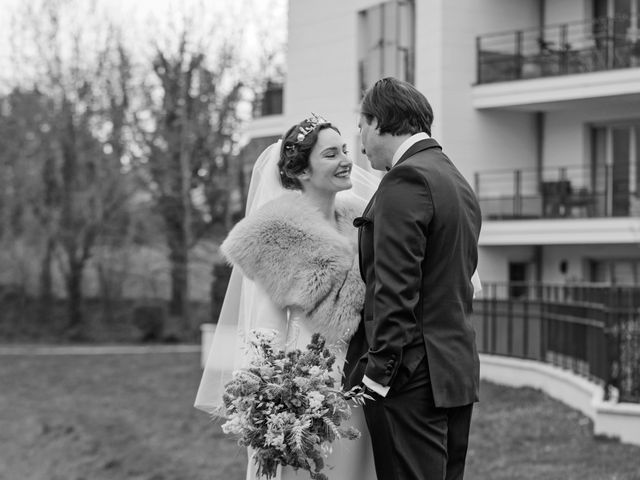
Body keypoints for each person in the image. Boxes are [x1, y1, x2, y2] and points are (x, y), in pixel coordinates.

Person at [195, 114, 378, 480]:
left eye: (345, 149)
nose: (346, 160)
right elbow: (265, 334)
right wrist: (281, 411)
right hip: (306, 399)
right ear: (303, 171)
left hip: (359, 390)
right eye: (331, 154)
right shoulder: (275, 237)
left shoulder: (363, 223)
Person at [344, 77, 482, 480]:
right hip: (453, 372)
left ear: (378, 121)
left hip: (412, 379)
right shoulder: (454, 179)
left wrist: (377, 376)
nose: (360, 140)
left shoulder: (406, 180)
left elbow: (396, 288)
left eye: (361, 127)